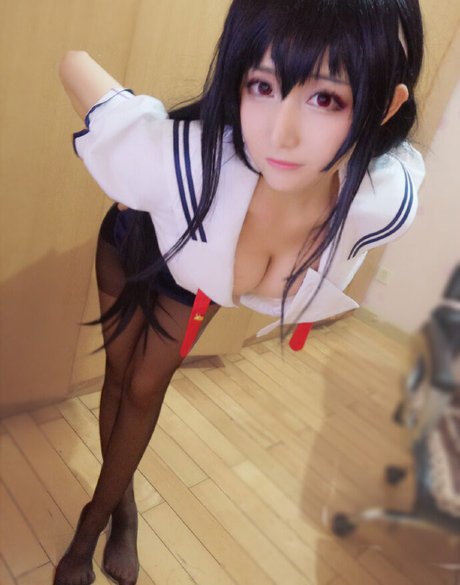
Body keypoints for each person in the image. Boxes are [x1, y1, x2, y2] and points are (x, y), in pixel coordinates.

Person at [56, 0, 425, 583]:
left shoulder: (384, 201)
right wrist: (136, 161)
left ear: (384, 105)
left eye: (326, 98)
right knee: (120, 377)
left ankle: (97, 517)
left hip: (195, 279)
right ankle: (114, 510)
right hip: (133, 241)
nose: (281, 132)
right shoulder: (174, 159)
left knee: (145, 387)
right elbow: (74, 61)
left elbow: (404, 160)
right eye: (262, 86)